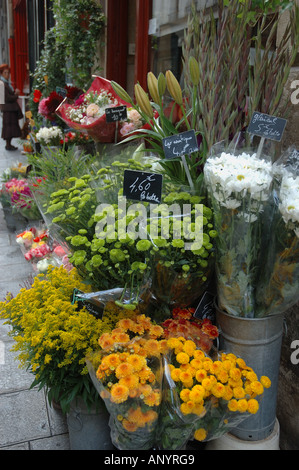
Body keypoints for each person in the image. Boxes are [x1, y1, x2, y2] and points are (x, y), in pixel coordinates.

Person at [0, 63, 23, 150]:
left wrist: (14, 94)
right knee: (9, 127)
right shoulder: (2, 84)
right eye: (5, 73)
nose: (7, 75)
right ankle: (8, 144)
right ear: (1, 73)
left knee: (10, 127)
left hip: (10, 109)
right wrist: (16, 95)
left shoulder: (6, 83)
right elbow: (7, 98)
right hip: (8, 109)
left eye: (8, 73)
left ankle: (9, 144)